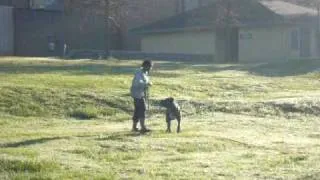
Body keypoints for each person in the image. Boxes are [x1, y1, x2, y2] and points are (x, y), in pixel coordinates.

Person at [130, 60, 153, 133]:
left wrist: (149, 83)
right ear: (146, 66)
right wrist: (146, 84)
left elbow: (146, 81)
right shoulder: (139, 72)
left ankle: (134, 127)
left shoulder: (145, 73)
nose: (150, 69)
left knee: (137, 110)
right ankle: (143, 127)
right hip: (137, 93)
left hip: (141, 93)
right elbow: (139, 82)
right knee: (142, 108)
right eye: (150, 67)